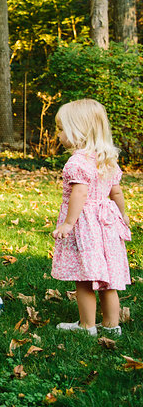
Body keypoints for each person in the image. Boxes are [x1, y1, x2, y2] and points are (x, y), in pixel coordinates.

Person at [51, 98, 131, 336]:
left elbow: (80, 192)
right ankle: (111, 326)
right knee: (108, 280)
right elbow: (115, 191)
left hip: (86, 225)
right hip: (106, 223)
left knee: (84, 277)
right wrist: (123, 214)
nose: (58, 134)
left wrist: (68, 223)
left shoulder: (77, 162)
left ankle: (87, 326)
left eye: (61, 129)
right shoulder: (106, 159)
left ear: (79, 131)